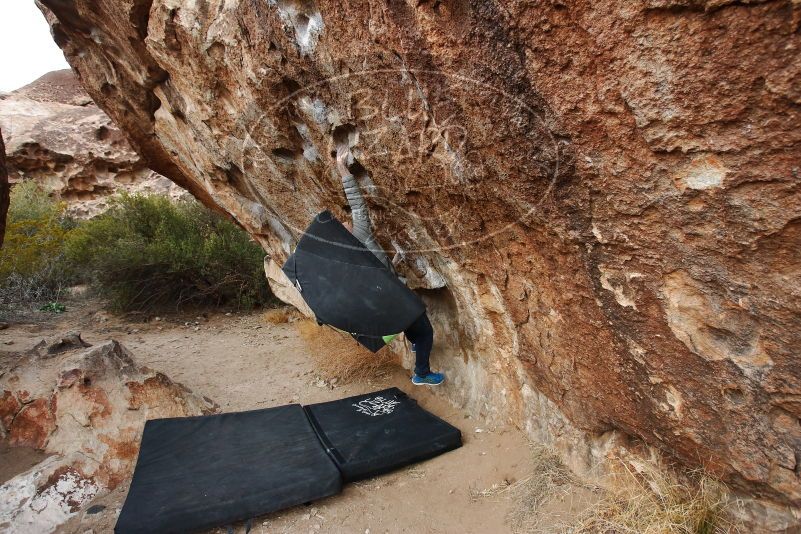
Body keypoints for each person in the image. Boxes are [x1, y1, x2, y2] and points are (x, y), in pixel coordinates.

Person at [335, 146, 445, 386]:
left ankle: (414, 340)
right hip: (395, 299)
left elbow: (373, 272)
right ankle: (422, 373)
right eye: (343, 225)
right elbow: (357, 205)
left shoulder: (344, 257)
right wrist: (343, 169)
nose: (346, 222)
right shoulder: (360, 235)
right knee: (425, 330)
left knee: (410, 322)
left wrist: (392, 263)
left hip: (382, 306)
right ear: (346, 233)